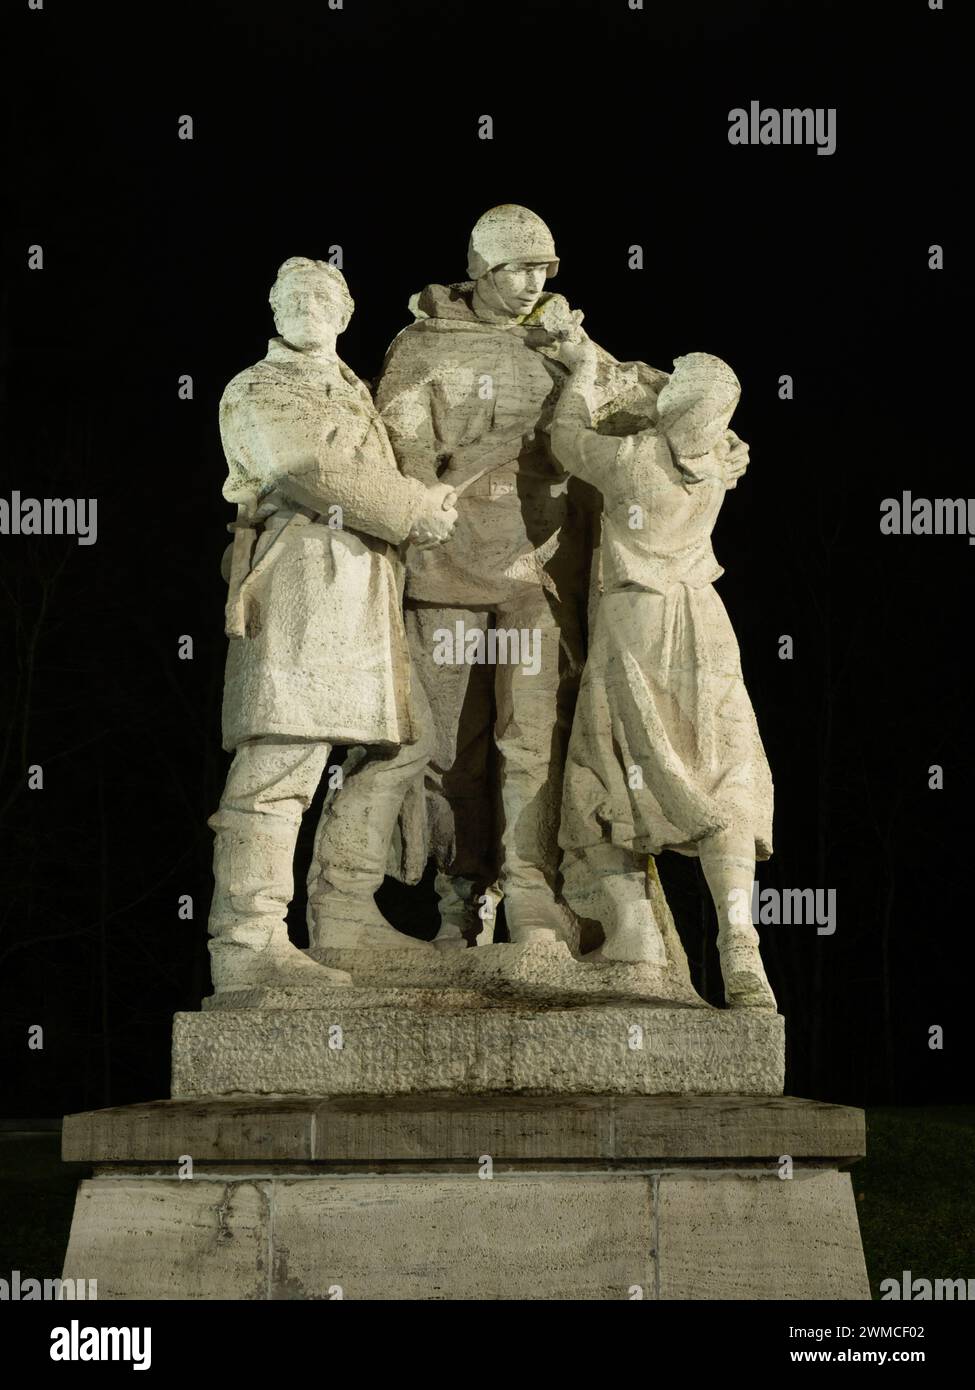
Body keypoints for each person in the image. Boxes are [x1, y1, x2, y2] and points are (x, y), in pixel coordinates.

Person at [207, 257, 457, 992]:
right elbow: (304, 467)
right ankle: (247, 942)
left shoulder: (352, 391)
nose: (306, 306)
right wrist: (415, 508)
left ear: (345, 315)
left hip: (360, 593)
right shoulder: (261, 385)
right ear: (273, 308)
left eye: (322, 296)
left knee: (409, 741)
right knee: (282, 759)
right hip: (299, 582)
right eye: (291, 295)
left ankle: (342, 915)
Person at [550, 344, 777, 1008]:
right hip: (704, 622)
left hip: (637, 619)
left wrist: (583, 375)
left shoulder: (633, 460)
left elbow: (566, 440)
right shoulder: (715, 463)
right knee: (723, 765)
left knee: (614, 763)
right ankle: (740, 943)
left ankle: (637, 940)